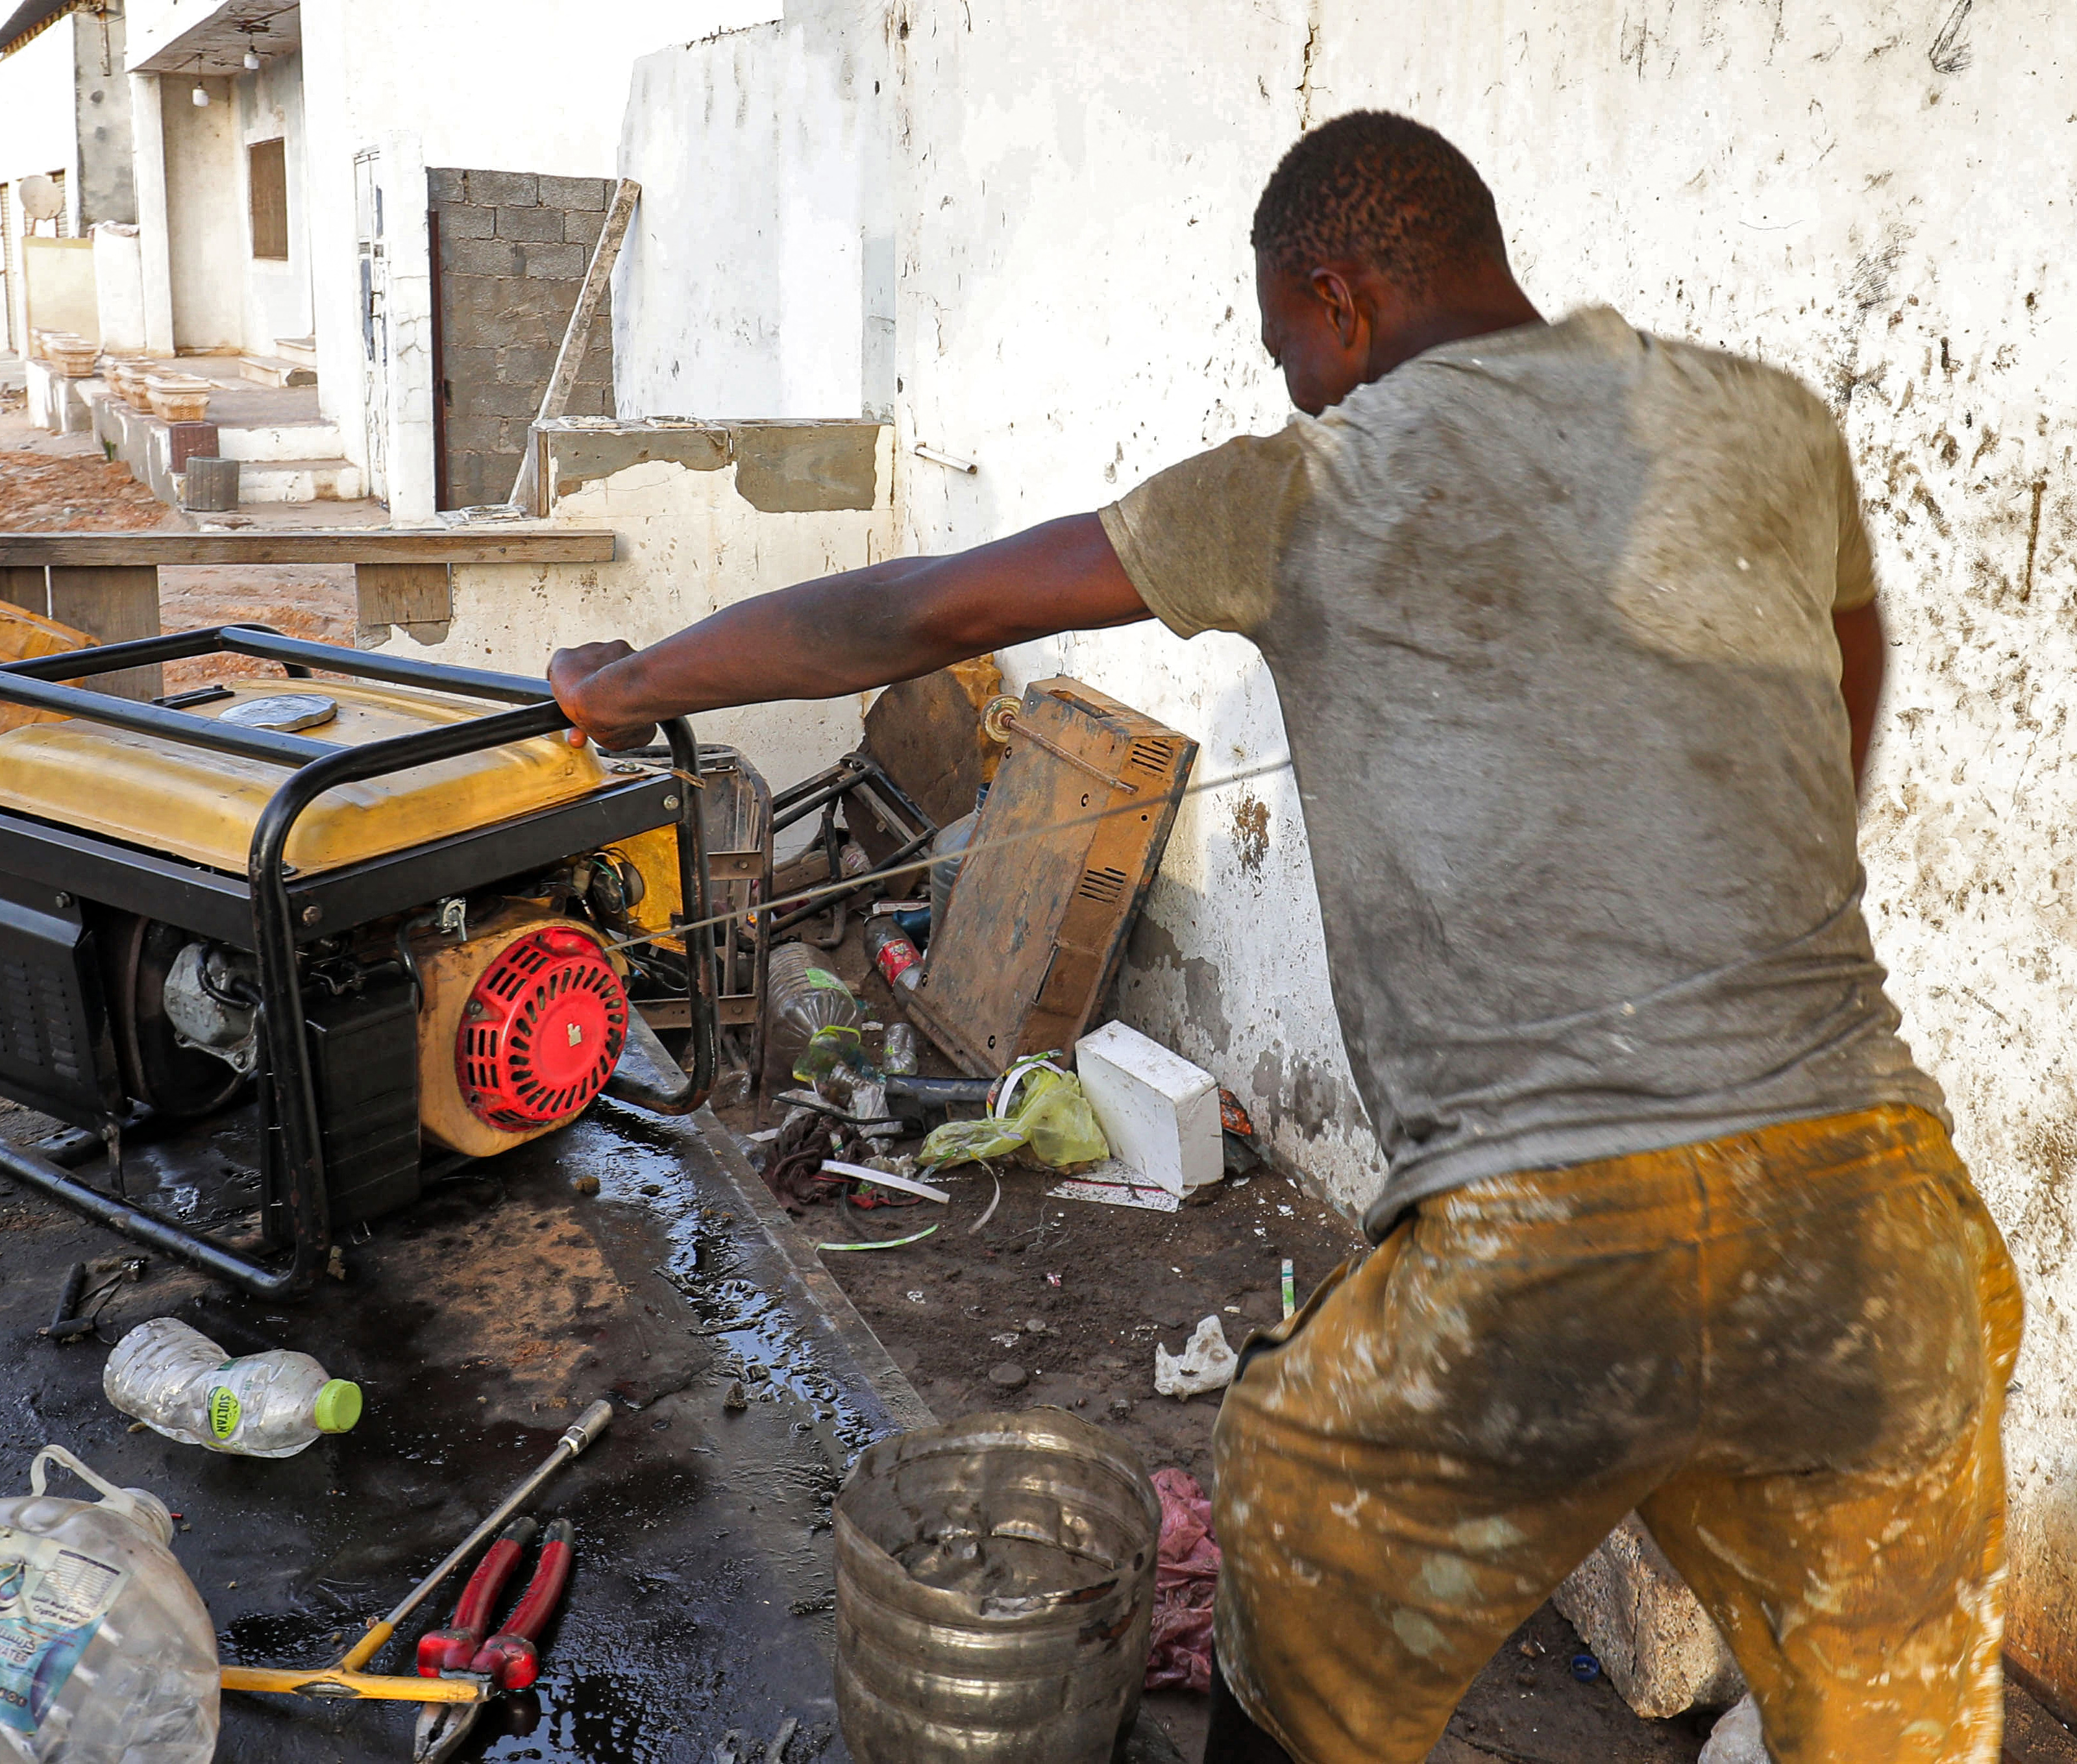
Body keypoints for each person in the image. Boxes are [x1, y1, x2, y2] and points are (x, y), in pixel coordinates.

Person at [548, 112, 2020, 1764]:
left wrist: (625, 686)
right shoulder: (1768, 428)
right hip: (1888, 1228)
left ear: (1335, 298)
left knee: (1301, 1584)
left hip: (1553, 1246)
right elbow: (1836, 711)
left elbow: (919, 612)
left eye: (1287, 353)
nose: (1297, 393)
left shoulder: (1318, 480)